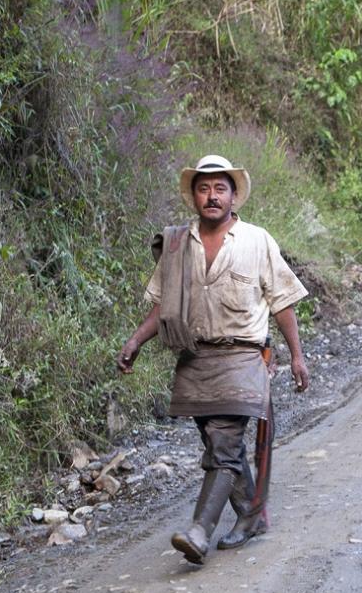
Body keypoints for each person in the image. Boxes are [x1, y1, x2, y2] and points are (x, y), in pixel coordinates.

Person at [116, 154, 310, 565]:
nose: (212, 196)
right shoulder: (176, 244)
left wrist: (297, 356)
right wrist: (135, 341)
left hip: (243, 357)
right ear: (193, 197)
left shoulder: (257, 241)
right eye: (203, 188)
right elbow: (162, 305)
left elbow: (283, 302)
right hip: (194, 358)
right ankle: (252, 515)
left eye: (220, 188)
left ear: (234, 195)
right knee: (222, 444)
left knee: (224, 445)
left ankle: (199, 530)